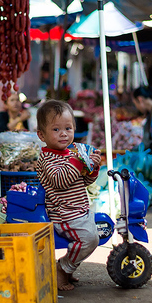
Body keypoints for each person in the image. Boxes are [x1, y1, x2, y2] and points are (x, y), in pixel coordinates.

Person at [36, 99, 102, 291]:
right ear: (41, 135)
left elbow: (83, 181)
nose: (64, 133)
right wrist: (80, 162)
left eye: (68, 128)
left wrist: (93, 167)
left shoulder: (70, 154)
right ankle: (62, 269)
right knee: (89, 239)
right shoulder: (47, 159)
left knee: (91, 237)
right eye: (56, 130)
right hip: (65, 214)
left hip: (78, 210)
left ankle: (68, 268)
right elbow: (60, 180)